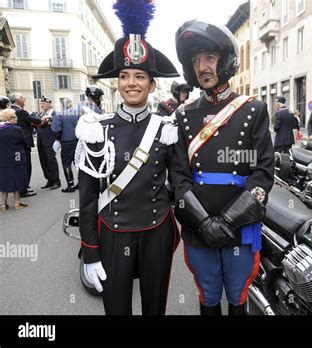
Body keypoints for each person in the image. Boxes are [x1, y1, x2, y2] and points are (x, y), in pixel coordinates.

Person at [75, 0, 190, 315]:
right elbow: (87, 197)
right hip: (112, 232)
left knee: (155, 309)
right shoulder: (96, 129)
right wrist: (90, 251)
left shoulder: (166, 128)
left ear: (152, 85)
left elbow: (180, 180)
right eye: (125, 76)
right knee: (116, 310)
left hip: (156, 231)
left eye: (140, 77)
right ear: (117, 83)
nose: (131, 83)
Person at [174, 19, 274, 315]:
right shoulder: (183, 116)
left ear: (225, 61)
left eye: (210, 57)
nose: (202, 66)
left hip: (240, 226)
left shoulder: (253, 110)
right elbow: (178, 178)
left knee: (237, 295)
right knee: (208, 295)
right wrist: (204, 223)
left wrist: (228, 222)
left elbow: (262, 174)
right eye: (196, 60)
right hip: (198, 226)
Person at [10, 93, 41, 197]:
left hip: (14, 143)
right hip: (24, 142)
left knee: (18, 165)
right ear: (19, 100)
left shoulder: (10, 110)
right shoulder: (21, 111)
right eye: (23, 98)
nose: (25, 100)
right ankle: (24, 188)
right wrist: (34, 117)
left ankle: (20, 187)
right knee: (26, 165)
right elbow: (37, 120)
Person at [0, 109, 29, 211]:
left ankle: (3, 204)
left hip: (2, 159)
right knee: (17, 179)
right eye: (15, 117)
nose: (17, 118)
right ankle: (17, 203)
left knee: (4, 180)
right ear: (10, 118)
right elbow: (23, 142)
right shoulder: (16, 129)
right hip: (17, 157)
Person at [51, 98, 82, 192]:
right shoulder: (79, 113)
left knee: (66, 163)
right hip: (78, 141)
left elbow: (56, 130)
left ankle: (70, 185)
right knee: (79, 163)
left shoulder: (59, 114)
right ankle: (81, 183)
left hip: (66, 141)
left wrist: (58, 139)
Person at [35, 96, 61, 190]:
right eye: (41, 103)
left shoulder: (55, 114)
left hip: (50, 141)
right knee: (43, 162)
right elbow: (36, 125)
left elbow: (57, 126)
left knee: (51, 161)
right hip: (40, 141)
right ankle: (49, 179)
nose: (42, 105)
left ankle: (56, 181)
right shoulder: (40, 114)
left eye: (44, 103)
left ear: (50, 104)